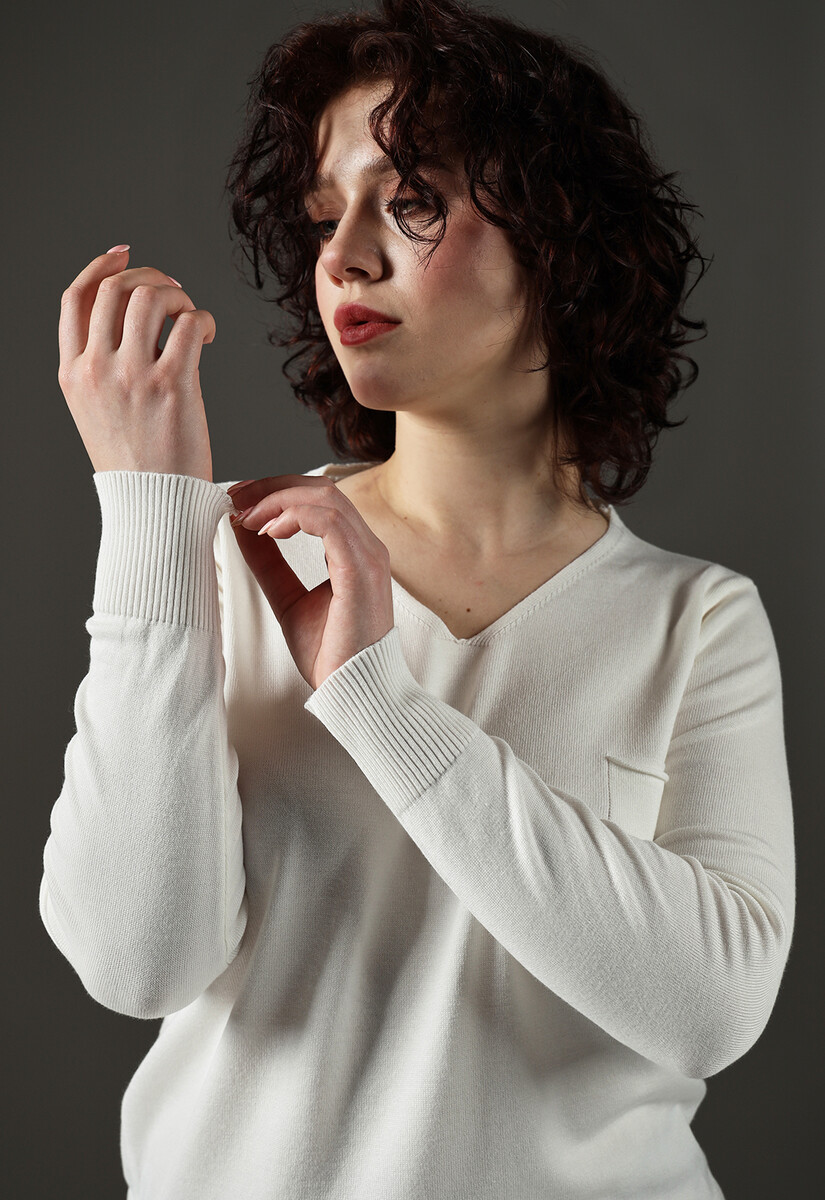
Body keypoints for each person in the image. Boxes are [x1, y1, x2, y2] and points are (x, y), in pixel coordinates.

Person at [40, 1, 795, 1197]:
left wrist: (375, 699)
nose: (343, 254)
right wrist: (147, 508)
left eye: (410, 200)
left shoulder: (694, 622)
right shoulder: (224, 550)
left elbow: (711, 1009)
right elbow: (140, 961)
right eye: (321, 216)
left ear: (559, 233)